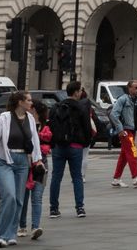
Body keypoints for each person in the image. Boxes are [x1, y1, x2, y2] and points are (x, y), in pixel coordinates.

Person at [0, 91, 43, 248]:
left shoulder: (30, 118)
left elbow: (35, 140)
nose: (31, 103)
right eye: (28, 100)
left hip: (23, 162)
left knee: (18, 199)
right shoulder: (4, 118)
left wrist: (38, 160)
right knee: (8, 195)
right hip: (4, 161)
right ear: (20, 102)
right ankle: (1, 235)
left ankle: (11, 234)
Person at [48, 81, 93, 220]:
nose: (81, 93)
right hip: (75, 146)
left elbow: (51, 126)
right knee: (77, 177)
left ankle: (54, 209)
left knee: (56, 177)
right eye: (80, 91)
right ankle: (79, 207)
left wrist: (53, 143)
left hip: (58, 146)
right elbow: (87, 127)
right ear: (76, 92)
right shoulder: (81, 107)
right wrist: (86, 142)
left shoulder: (56, 107)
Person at [18, 101, 51, 239]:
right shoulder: (22, 124)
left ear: (34, 110)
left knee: (37, 197)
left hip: (40, 165)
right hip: (26, 164)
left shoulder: (45, 126)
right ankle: (22, 226)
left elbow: (50, 143)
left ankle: (35, 227)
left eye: (30, 107)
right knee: (23, 197)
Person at [110, 80, 137, 188]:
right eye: (135, 87)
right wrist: (120, 129)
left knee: (124, 156)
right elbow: (113, 114)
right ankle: (136, 178)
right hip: (125, 131)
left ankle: (116, 179)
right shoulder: (123, 99)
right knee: (132, 152)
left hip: (133, 131)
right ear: (129, 88)